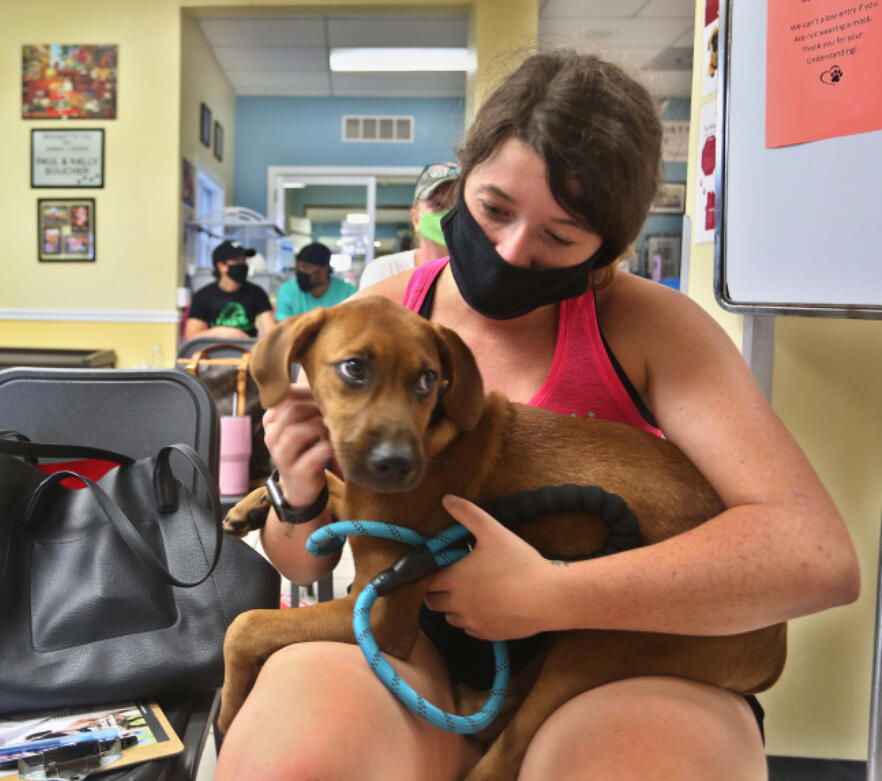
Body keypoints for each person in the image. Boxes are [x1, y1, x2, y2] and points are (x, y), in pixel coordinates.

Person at [215, 49, 859, 781]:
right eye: (493, 208)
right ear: (459, 181)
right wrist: (296, 493)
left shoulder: (652, 327)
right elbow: (306, 558)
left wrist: (552, 592)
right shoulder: (380, 326)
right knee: (288, 761)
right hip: (421, 644)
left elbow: (817, 559)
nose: (512, 250)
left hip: (616, 654)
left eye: (559, 236)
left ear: (607, 245)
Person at [359, 161, 459, 289]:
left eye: (458, 206)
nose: (449, 214)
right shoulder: (385, 272)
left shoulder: (479, 275)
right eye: (438, 204)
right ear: (416, 218)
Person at [184, 240, 274, 340]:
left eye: (244, 260)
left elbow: (270, 332)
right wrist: (220, 332)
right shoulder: (202, 297)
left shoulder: (257, 293)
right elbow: (191, 336)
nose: (243, 264)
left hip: (248, 352)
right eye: (237, 260)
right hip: (213, 352)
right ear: (221, 266)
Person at [274, 242, 356, 321]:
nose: (301, 272)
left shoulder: (348, 293)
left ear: (324, 268)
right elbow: (283, 326)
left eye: (306, 267)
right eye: (299, 267)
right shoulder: (287, 290)